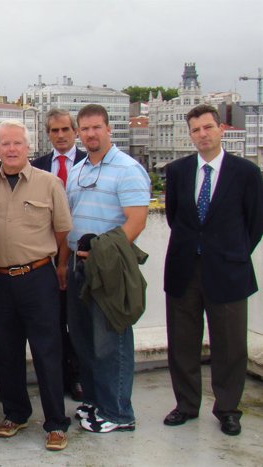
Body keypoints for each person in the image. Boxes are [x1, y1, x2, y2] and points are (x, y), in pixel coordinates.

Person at [163, 104, 263, 436]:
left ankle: (228, 409)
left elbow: (255, 222)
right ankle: (187, 404)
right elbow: (175, 217)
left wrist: (229, 253)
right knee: (182, 341)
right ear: (190, 134)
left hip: (229, 271)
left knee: (230, 344)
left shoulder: (246, 173)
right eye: (196, 130)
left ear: (220, 128)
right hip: (184, 269)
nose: (202, 135)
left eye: (208, 127)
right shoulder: (177, 171)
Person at [0, 119, 72, 451]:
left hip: (38, 278)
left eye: (18, 143)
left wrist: (60, 267)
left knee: (48, 351)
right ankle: (15, 413)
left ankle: (56, 423)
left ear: (28, 147)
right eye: (5, 144)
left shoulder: (49, 184)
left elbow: (62, 231)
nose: (12, 149)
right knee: (8, 352)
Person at [65, 104, 150, 434]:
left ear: (108, 129)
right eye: (84, 129)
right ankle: (97, 401)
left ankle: (118, 412)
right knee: (84, 340)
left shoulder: (128, 169)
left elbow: (137, 221)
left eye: (96, 127)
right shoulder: (78, 169)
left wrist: (102, 253)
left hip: (109, 268)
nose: (90, 134)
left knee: (110, 341)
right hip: (77, 266)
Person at [31, 108, 86, 402]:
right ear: (48, 134)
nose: (61, 135)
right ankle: (56, 377)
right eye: (54, 131)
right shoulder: (37, 166)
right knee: (51, 323)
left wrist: (65, 262)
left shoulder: (87, 162)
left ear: (75, 131)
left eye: (66, 129)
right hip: (44, 256)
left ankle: (76, 376)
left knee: (75, 320)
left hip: (78, 254)